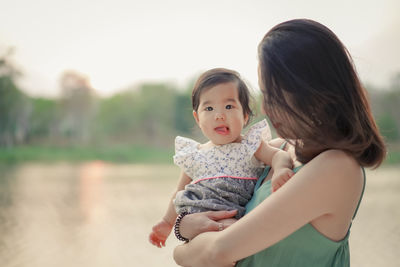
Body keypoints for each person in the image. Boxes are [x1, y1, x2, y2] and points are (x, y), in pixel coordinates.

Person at [173, 19, 386, 266]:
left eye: (274, 96)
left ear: (310, 91)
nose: (264, 108)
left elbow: (217, 253)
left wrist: (180, 252)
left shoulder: (338, 168)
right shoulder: (280, 148)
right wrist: (183, 225)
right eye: (264, 94)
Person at [149, 68, 294, 248]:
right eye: (209, 108)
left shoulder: (250, 145)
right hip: (194, 218)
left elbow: (278, 155)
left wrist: (281, 169)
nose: (219, 115)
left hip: (232, 216)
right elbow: (178, 194)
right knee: (197, 235)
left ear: (245, 115)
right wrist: (166, 222)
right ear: (197, 118)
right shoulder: (194, 154)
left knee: (233, 233)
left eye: (229, 106)